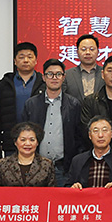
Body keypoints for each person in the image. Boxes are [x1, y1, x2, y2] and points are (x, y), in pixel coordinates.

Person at [23, 59, 83, 187]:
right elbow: (23, 135)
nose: (54, 78)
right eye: (50, 74)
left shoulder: (74, 104)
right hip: (36, 167)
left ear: (63, 77)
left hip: (64, 168)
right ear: (44, 77)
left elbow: (79, 137)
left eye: (58, 74)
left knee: (63, 199)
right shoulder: (31, 104)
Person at [0, 41, 46, 155]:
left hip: (38, 142)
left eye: (30, 57)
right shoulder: (4, 84)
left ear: (36, 61)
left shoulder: (44, 83)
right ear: (15, 61)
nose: (26, 60)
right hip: (11, 141)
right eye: (21, 57)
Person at [63, 34, 105, 103]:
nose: (88, 52)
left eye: (92, 49)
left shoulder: (106, 74)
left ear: (98, 52)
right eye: (83, 49)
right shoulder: (67, 75)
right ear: (77, 52)